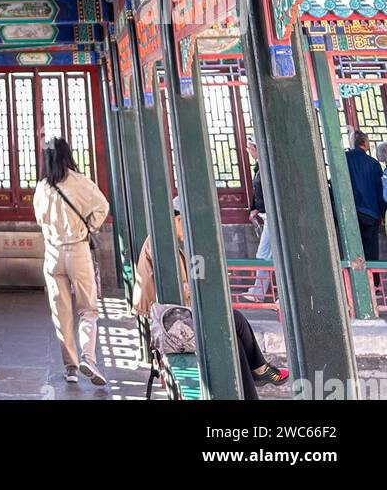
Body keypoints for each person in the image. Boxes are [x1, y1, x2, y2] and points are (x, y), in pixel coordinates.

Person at [132, 196, 288, 400]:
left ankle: (257, 377)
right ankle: (259, 369)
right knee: (236, 320)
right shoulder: (162, 243)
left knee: (235, 338)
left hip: (175, 319)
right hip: (172, 325)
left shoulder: (164, 240)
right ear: (178, 219)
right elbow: (178, 291)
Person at [33, 135, 110, 387]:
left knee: (61, 313)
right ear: (67, 155)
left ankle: (71, 367)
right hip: (77, 250)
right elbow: (102, 206)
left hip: (53, 254)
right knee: (87, 308)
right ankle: (88, 356)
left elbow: (40, 220)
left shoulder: (42, 188)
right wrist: (89, 228)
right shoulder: (79, 182)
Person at [345, 130, 386, 260]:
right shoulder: (373, 164)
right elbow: (381, 192)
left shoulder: (344, 158)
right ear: (364, 143)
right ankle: (372, 280)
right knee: (370, 252)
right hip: (371, 213)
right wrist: (381, 212)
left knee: (352, 251)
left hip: (349, 212)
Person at [244, 142, 273, 301]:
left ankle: (259, 293)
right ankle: (258, 291)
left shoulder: (267, 166)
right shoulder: (259, 167)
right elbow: (259, 192)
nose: (249, 152)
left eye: (250, 149)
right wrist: (255, 208)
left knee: (263, 254)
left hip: (272, 216)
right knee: (267, 255)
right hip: (267, 214)